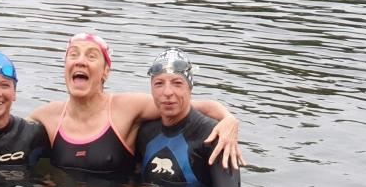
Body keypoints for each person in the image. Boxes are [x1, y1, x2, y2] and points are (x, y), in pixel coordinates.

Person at [25, 33, 244, 177]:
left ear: (105, 72)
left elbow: (190, 105)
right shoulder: (47, 115)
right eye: (73, 55)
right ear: (66, 67)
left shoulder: (126, 108)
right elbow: (7, 132)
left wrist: (229, 119)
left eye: (91, 56)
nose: (80, 61)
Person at [136, 47, 241, 187]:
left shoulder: (217, 137)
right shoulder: (145, 132)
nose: (167, 92)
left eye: (177, 83)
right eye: (159, 83)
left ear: (189, 88)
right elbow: (135, 181)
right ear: (151, 89)